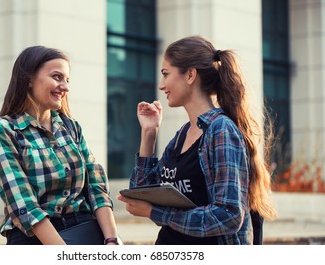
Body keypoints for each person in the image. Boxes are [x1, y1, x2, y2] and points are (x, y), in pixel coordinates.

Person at [118, 35, 277, 245]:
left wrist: (157, 213)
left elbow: (229, 216)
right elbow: (140, 195)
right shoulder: (182, 135)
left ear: (190, 75)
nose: (161, 85)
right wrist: (149, 133)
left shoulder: (221, 131)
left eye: (166, 74)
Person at [0, 46, 120, 245]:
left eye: (67, 80)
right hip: (35, 238)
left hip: (86, 230)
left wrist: (111, 240)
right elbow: (23, 205)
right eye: (57, 77)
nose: (65, 87)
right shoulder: (3, 130)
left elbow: (96, 187)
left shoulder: (71, 127)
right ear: (28, 79)